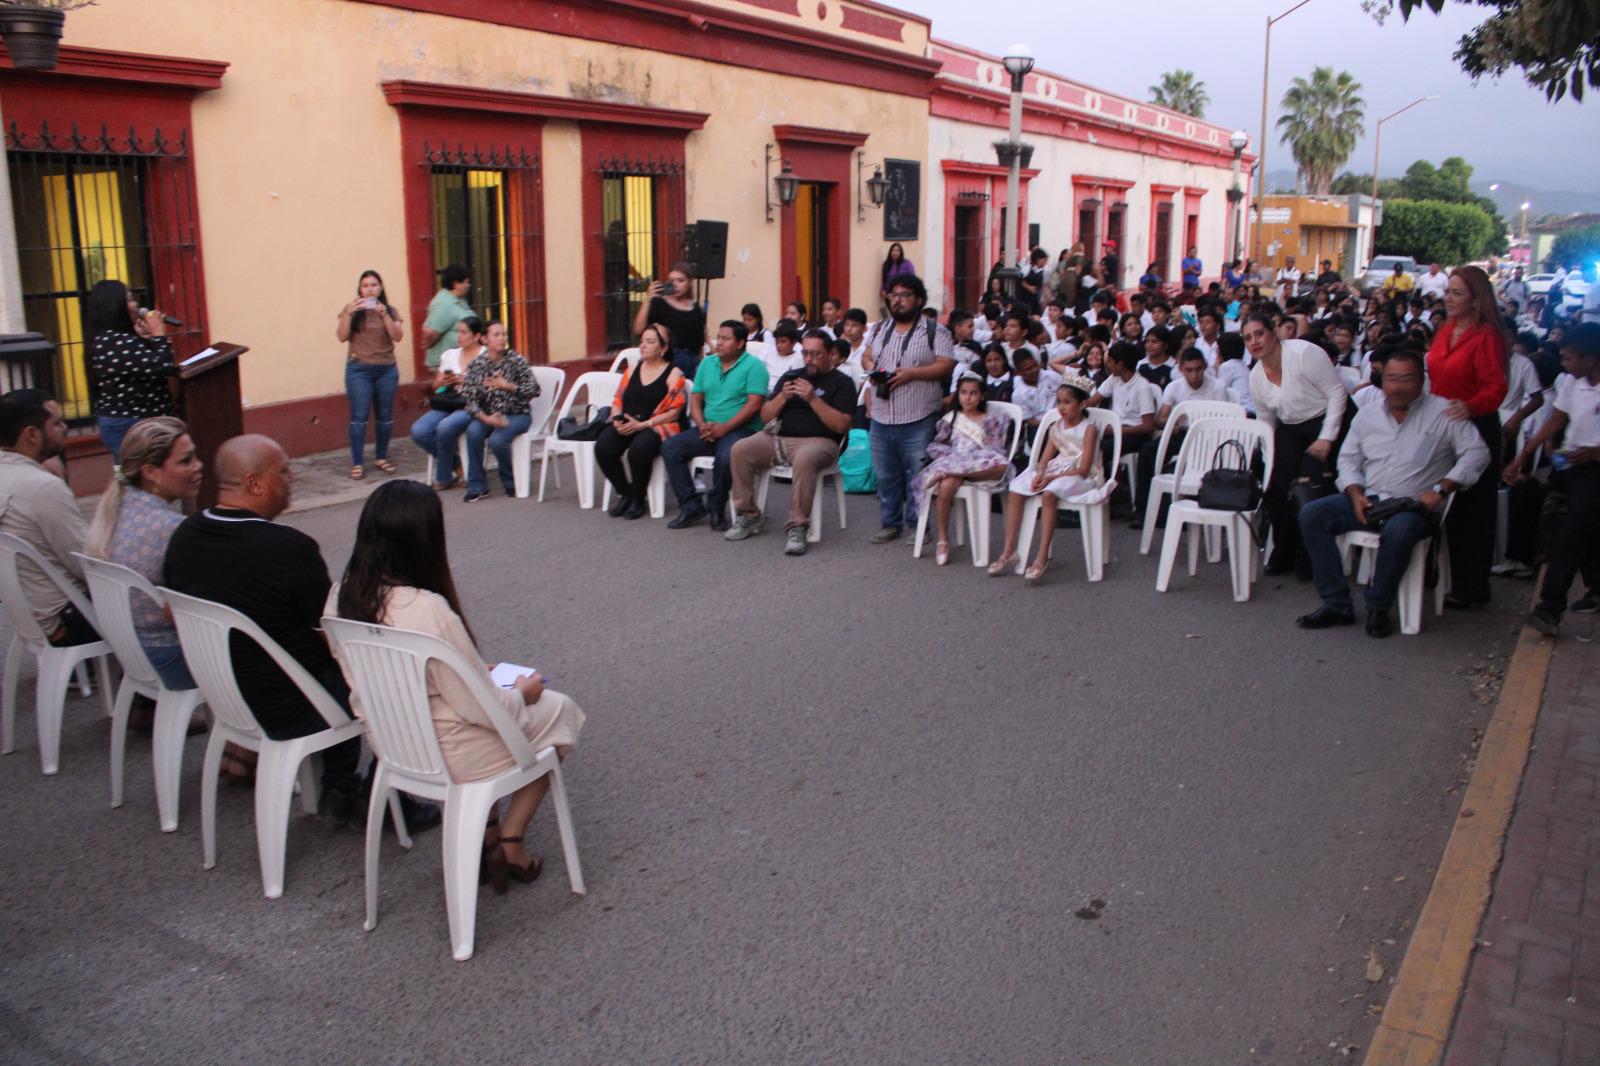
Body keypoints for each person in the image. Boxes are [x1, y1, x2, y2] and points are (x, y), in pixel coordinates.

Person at [329, 480, 583, 888]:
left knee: (507, 709)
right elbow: (483, 710)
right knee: (559, 710)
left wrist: (470, 669)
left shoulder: (341, 596)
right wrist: (522, 692)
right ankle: (511, 843)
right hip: (449, 749)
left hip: (393, 743)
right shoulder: (429, 609)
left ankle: (484, 840)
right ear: (424, 541)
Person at [161, 436, 368, 824]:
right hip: (290, 707)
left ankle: (251, 754)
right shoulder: (289, 548)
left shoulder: (185, 535)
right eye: (284, 471)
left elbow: (172, 611)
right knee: (373, 674)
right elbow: (333, 635)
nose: (293, 478)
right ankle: (347, 788)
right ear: (254, 483)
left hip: (224, 697)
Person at [1295, 348, 1490, 637]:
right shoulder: (1367, 414)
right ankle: (1337, 603)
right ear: (1382, 380)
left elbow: (1477, 453)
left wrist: (1442, 487)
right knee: (1312, 514)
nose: (1397, 386)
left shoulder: (1444, 412)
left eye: (1406, 379)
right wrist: (1354, 492)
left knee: (1398, 532)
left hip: (1414, 505)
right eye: (1391, 379)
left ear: (1421, 381)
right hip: (1370, 498)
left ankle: (1378, 606)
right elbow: (1348, 459)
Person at [83, 416, 203, 691]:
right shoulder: (171, 528)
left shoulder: (117, 509)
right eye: (186, 461)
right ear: (151, 472)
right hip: (167, 658)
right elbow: (191, 611)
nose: (198, 467)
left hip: (132, 653)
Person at [1505, 324, 1600, 636]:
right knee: (1577, 530)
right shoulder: (1572, 383)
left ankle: (1550, 608)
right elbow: (1556, 419)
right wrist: (1523, 456)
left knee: (1569, 537)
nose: (1564, 364)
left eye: (1568, 358)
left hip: (1594, 469)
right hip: (1569, 465)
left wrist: (1595, 452)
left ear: (1590, 359)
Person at [725, 330, 856, 554]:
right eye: (805, 353)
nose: (809, 360)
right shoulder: (791, 376)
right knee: (740, 449)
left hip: (821, 442)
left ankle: (798, 526)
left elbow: (841, 426)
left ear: (831, 353)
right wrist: (782, 398)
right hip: (779, 438)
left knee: (805, 459)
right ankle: (749, 514)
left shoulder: (842, 383)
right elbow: (766, 416)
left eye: (816, 354)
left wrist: (813, 398)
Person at [1244, 312, 1350, 575]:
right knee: (1276, 486)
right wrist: (1269, 456)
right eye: (1248, 338)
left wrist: (1326, 437)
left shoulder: (1304, 354)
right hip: (1291, 427)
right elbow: (1266, 420)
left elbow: (1337, 393)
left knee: (1311, 485)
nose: (1255, 341)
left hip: (1330, 418)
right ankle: (1284, 552)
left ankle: (1310, 557)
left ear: (1273, 332)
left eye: (1259, 333)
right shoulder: (1255, 377)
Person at [1428, 266, 1508, 606]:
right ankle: (1443, 576)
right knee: (1446, 504)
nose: (1448, 298)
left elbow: (1496, 387)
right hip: (1445, 426)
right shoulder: (1445, 330)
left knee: (1472, 512)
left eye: (1457, 293)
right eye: (1448, 291)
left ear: (1476, 300)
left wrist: (1470, 406)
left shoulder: (1486, 335)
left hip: (1476, 426)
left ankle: (1471, 588)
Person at [860, 274, 957, 543]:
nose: (897, 300)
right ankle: (890, 523)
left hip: (918, 416)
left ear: (919, 300)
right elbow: (867, 355)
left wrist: (912, 374)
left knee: (917, 476)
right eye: (893, 295)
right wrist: (871, 369)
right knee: (886, 475)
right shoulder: (880, 329)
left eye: (904, 295)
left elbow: (946, 364)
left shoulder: (935, 331)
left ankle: (919, 527)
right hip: (881, 415)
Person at [0, 389, 95, 646]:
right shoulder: (43, 487)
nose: (64, 428)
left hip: (27, 616)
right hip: (64, 621)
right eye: (56, 423)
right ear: (32, 434)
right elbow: (87, 564)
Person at [988, 376, 1104, 582]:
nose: (1061, 407)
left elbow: (1084, 469)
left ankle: (1042, 557)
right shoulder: (1056, 427)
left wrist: (1050, 478)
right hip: (1056, 470)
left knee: (1049, 494)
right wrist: (1041, 474)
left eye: (1067, 402)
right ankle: (1008, 551)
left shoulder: (1089, 429)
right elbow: (1044, 460)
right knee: (1016, 489)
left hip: (1081, 477)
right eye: (1058, 401)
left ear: (1083, 404)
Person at [662, 320, 767, 531]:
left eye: (726, 339)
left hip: (740, 429)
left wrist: (724, 428)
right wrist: (701, 425)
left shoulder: (754, 366)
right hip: (708, 428)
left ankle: (716, 505)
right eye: (718, 338)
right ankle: (691, 506)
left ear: (740, 343)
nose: (719, 343)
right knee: (670, 447)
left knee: (726, 457)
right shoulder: (707, 363)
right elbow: (696, 398)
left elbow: (754, 405)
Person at [911, 376, 1012, 566]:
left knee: (1002, 467)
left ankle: (960, 473)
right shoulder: (952, 418)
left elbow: (995, 448)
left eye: (973, 393)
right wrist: (952, 457)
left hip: (980, 461)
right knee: (947, 485)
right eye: (964, 393)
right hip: (956, 458)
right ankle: (943, 539)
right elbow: (939, 444)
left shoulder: (989, 420)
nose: (968, 398)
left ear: (981, 396)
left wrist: (979, 459)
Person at [433, 321, 539, 502]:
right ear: (485, 339)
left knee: (498, 440)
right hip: (489, 414)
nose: (502, 339)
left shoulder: (516, 360)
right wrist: (487, 419)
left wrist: (508, 386)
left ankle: (510, 481)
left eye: (503, 334)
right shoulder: (479, 365)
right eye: (496, 335)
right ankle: (477, 486)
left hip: (517, 413)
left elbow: (534, 390)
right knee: (474, 432)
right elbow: (470, 400)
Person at [592, 323, 688, 520]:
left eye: (650, 341)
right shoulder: (632, 369)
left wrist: (643, 425)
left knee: (639, 449)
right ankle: (625, 493)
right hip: (629, 422)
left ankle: (638, 498)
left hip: (657, 425)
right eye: (642, 341)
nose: (643, 345)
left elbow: (674, 413)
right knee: (603, 446)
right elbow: (618, 400)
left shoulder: (673, 374)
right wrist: (618, 419)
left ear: (663, 348)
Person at [85, 279, 174, 462]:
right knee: (139, 479)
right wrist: (158, 335)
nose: (136, 305)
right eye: (130, 299)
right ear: (115, 306)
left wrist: (146, 339)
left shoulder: (117, 339)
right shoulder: (114, 342)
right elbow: (163, 367)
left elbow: (144, 367)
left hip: (136, 422)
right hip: (131, 424)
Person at [337, 269, 404, 481]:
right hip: (359, 369)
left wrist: (384, 314)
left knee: (384, 417)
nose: (370, 289)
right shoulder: (352, 311)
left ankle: (381, 457)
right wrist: (348, 313)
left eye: (374, 285)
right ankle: (357, 462)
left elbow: (398, 336)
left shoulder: (390, 311)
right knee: (359, 417)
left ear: (381, 288)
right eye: (365, 286)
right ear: (360, 289)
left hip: (386, 369)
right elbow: (342, 336)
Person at [412, 316, 485, 490]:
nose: (459, 336)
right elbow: (436, 387)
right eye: (458, 332)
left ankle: (443, 477)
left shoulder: (486, 356)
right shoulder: (450, 355)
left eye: (464, 332)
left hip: (472, 403)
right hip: (449, 401)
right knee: (419, 431)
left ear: (476, 336)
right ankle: (457, 464)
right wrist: (444, 382)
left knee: (445, 427)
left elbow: (489, 386)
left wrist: (465, 381)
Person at [1090, 340, 1158, 480]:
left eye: (1109, 362)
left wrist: (1118, 430)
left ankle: (1110, 485)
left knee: (1102, 448)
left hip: (1135, 434)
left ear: (1120, 365)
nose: (1107, 365)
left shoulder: (1142, 386)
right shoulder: (1114, 379)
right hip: (1116, 429)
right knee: (1087, 440)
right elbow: (1093, 401)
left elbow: (1148, 426)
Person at [632, 263, 706, 379]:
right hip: (665, 361)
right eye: (671, 280)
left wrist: (701, 368)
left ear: (689, 283)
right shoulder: (659, 303)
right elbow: (638, 329)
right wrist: (648, 299)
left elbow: (699, 344)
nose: (675, 284)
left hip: (691, 363)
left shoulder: (695, 308)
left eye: (680, 280)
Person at [420, 264, 472, 371]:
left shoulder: (458, 300)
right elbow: (432, 333)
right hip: (448, 363)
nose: (468, 285)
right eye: (466, 282)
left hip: (460, 360)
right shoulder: (444, 303)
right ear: (456, 284)